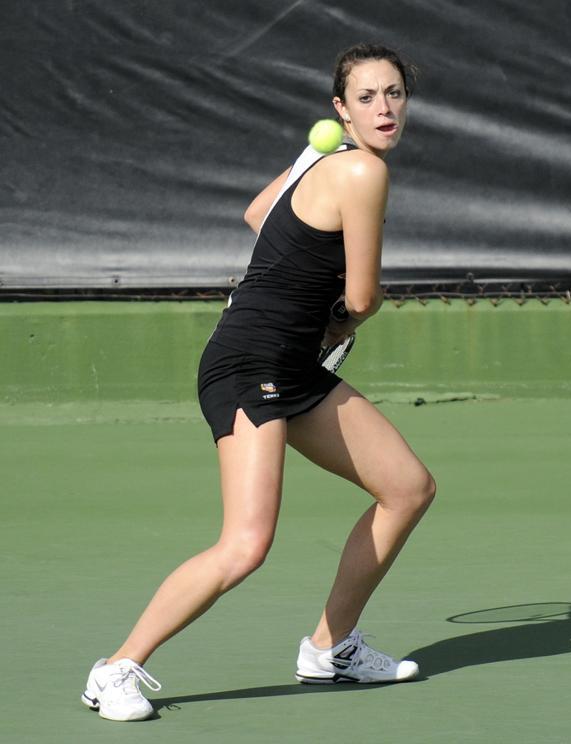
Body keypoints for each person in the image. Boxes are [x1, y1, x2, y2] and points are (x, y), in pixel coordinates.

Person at [82, 42, 436, 722]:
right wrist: (343, 320)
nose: (385, 108)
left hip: (291, 365)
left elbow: (257, 215)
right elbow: (361, 296)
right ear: (341, 109)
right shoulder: (361, 172)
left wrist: (308, 165)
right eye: (367, 98)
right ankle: (115, 669)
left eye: (394, 94)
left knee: (407, 488)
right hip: (250, 364)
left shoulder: (327, 161)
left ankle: (331, 650)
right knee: (246, 543)